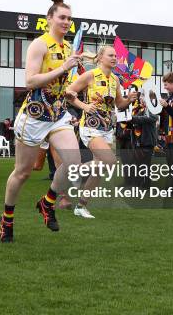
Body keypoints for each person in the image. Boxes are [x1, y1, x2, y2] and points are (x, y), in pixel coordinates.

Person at [0, 0, 82, 242]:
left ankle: (47, 203)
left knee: (73, 162)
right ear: (49, 19)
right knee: (23, 172)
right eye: (62, 17)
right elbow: (30, 81)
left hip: (56, 114)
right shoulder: (39, 44)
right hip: (34, 115)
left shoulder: (68, 47)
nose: (66, 22)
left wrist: (68, 88)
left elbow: (60, 83)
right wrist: (63, 68)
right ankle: (7, 219)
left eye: (69, 18)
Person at [65, 45, 138, 219]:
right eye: (111, 55)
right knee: (110, 162)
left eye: (115, 56)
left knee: (99, 170)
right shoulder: (90, 75)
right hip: (90, 126)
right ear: (100, 58)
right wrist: (84, 106)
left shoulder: (115, 80)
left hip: (106, 128)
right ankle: (75, 171)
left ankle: (81, 206)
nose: (114, 58)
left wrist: (129, 100)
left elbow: (119, 105)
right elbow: (68, 92)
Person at [131, 95, 158, 188]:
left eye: (143, 99)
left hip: (147, 142)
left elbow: (149, 118)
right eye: (140, 100)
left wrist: (132, 118)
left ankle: (146, 184)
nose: (141, 101)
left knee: (146, 165)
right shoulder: (140, 110)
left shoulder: (152, 110)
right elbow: (135, 120)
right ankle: (139, 183)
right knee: (138, 164)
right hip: (138, 142)